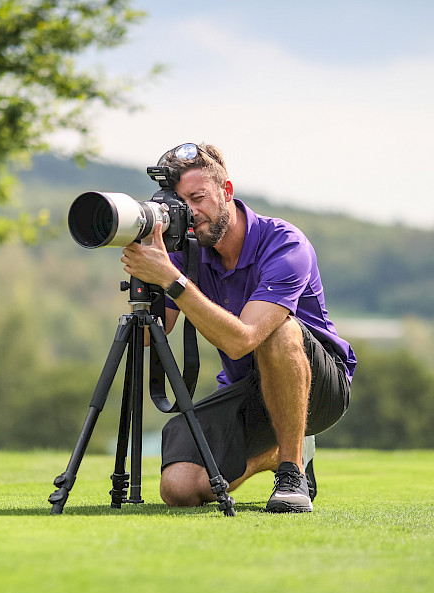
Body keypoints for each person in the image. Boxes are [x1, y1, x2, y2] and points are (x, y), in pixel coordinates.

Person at [120, 142, 356, 513]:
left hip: (317, 391)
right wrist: (147, 270)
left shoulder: (284, 243)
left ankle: (292, 473)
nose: (191, 212)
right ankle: (276, 454)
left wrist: (173, 280)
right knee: (179, 488)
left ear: (226, 191)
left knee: (278, 330)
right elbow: (150, 336)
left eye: (198, 198)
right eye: (179, 204)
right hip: (247, 391)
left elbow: (241, 341)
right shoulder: (184, 252)